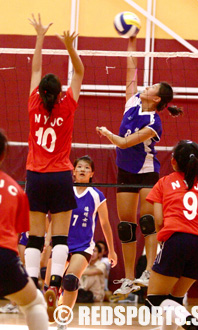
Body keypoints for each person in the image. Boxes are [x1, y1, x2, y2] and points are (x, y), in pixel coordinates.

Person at [96, 35, 183, 299]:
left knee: (147, 222)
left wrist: (107, 134)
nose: (147, 86)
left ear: (157, 99)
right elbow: (131, 70)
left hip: (146, 172)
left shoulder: (154, 123)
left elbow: (124, 143)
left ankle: (151, 271)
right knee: (125, 225)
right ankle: (131, 277)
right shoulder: (132, 100)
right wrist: (131, 42)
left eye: (152, 86)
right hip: (125, 171)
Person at [24, 14, 84, 323]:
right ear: (59, 92)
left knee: (35, 239)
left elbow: (35, 68)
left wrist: (39, 37)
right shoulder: (68, 104)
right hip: (61, 175)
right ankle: (57, 284)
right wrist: (69, 47)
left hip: (35, 175)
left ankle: (34, 286)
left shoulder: (34, 102)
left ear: (42, 92)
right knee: (61, 240)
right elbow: (80, 72)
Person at [144, 140, 198, 330]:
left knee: (154, 301)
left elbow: (159, 220)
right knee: (174, 299)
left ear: (173, 162)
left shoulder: (165, 182)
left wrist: (166, 244)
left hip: (177, 239)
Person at [56, 155, 117, 330]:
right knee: (50, 281)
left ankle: (63, 319)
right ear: (73, 171)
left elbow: (105, 224)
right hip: (61, 243)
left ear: (92, 174)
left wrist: (111, 250)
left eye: (87, 168)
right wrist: (47, 240)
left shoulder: (97, 195)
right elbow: (53, 217)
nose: (82, 170)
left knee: (70, 280)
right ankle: (58, 302)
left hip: (83, 246)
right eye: (79, 167)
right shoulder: (64, 190)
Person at [0, 130, 48, 329]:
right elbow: (19, 234)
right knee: (34, 303)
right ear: (3, 155)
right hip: (4, 256)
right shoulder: (15, 189)